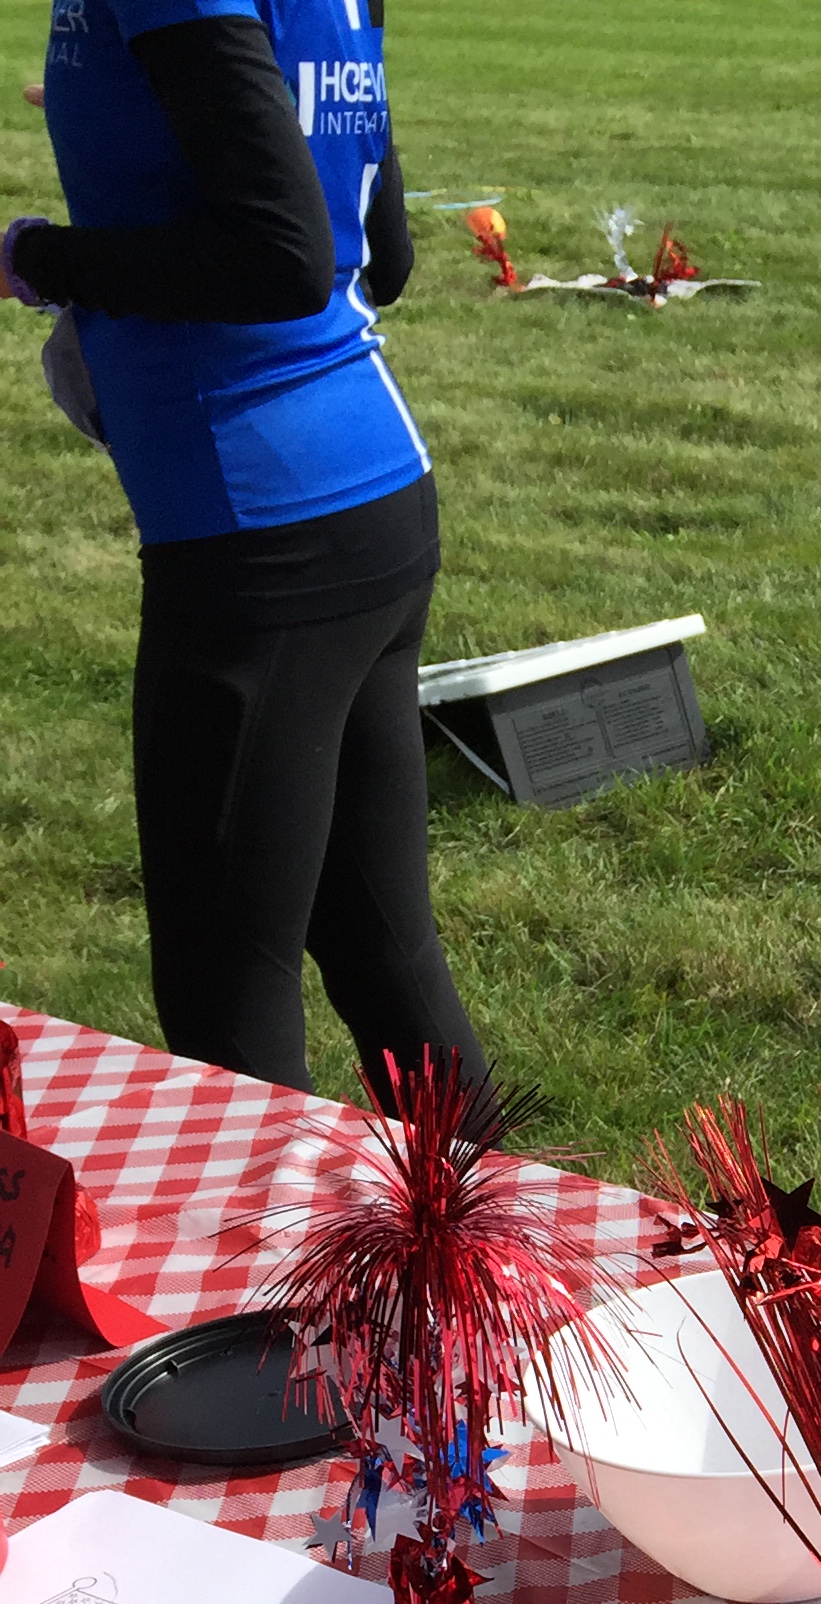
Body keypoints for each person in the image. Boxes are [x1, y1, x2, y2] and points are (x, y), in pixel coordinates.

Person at [2, 0, 492, 1119]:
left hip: (257, 535)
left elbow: (278, 258)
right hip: (371, 497)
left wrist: (36, 258)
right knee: (382, 948)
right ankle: (492, 1233)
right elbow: (382, 252)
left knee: (228, 1002)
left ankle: (285, 1251)